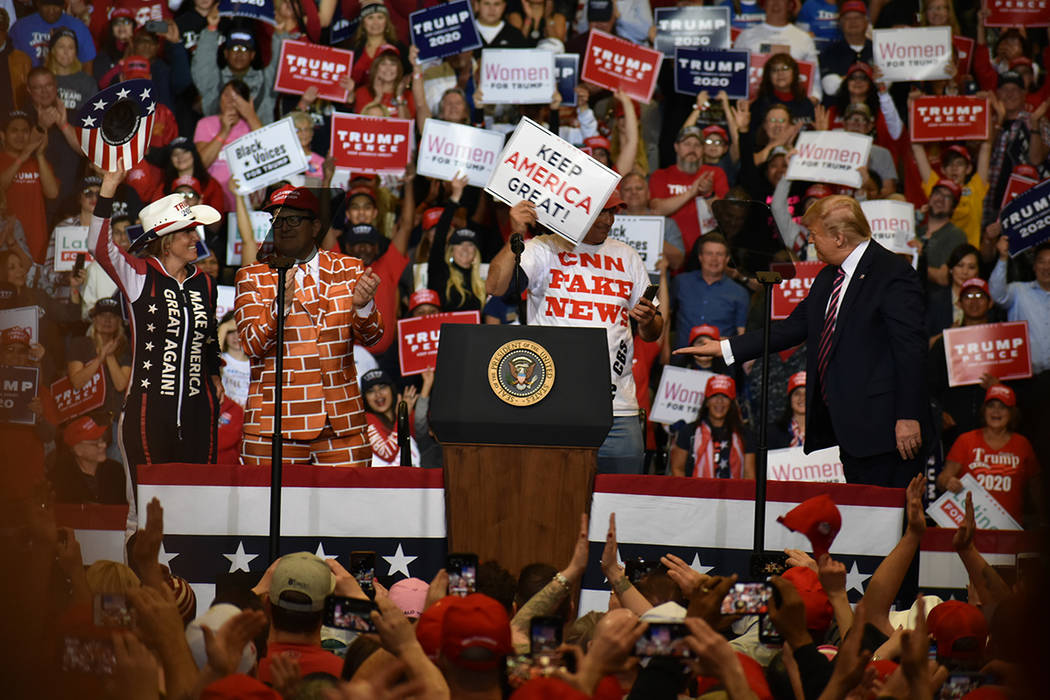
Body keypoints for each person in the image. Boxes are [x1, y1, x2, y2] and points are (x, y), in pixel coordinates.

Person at [676, 195, 927, 486]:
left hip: (889, 432)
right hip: (850, 431)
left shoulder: (892, 273)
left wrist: (908, 416)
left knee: (893, 522)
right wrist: (725, 347)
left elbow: (911, 350)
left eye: (814, 235)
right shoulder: (828, 277)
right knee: (863, 523)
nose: (810, 242)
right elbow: (792, 328)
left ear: (839, 237)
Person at [485, 193, 662, 474]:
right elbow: (494, 286)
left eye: (612, 212)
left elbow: (654, 332)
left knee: (623, 502)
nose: (608, 220)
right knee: (554, 498)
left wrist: (648, 321)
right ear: (579, 212)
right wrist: (516, 234)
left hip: (617, 408)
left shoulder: (627, 256)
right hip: (553, 404)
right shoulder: (544, 248)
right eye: (601, 212)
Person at [234, 186, 383, 467]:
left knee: (347, 509)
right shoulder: (252, 276)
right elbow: (251, 345)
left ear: (314, 225)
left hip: (341, 427)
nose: (283, 227)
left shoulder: (349, 269)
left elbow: (373, 337)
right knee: (268, 511)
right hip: (273, 427)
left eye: (292, 219)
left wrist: (363, 306)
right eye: (277, 221)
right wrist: (280, 305)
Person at [88, 163, 223, 468]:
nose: (194, 238)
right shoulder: (139, 274)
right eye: (186, 232)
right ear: (165, 241)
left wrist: (214, 372)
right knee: (152, 508)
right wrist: (108, 188)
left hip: (198, 413)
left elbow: (209, 334)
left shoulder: (205, 282)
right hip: (148, 413)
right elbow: (97, 246)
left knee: (196, 502)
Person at [938, 385, 1040, 527]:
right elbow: (942, 479)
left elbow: (1036, 489)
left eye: (1003, 407)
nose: (996, 411)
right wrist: (948, 482)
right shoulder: (966, 440)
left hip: (1009, 529)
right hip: (968, 527)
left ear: (1012, 413)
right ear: (984, 410)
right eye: (991, 406)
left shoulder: (1022, 444)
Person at [649, 125, 730, 254]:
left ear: (703, 149)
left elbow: (726, 217)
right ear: (676, 147)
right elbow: (656, 209)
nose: (692, 149)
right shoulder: (661, 175)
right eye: (687, 144)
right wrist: (692, 192)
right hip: (671, 250)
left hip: (705, 253)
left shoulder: (715, 174)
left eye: (697, 145)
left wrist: (709, 194)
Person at [671, 233, 750, 350]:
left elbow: (741, 335)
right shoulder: (681, 282)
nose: (714, 259)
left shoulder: (740, 293)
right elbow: (665, 317)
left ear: (727, 259)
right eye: (709, 253)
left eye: (719, 254)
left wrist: (726, 343)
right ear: (700, 257)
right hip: (682, 357)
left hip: (721, 360)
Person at [669, 374, 756, 479]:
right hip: (695, 494)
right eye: (714, 396)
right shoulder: (688, 432)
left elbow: (749, 475)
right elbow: (677, 468)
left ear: (732, 404)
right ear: (707, 402)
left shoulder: (745, 435)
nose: (719, 401)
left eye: (725, 396)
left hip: (733, 494)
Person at [48, 413, 126, 505]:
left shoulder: (116, 471)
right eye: (95, 442)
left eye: (103, 439)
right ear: (77, 450)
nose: (103, 445)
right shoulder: (61, 477)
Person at [361, 368, 420, 467]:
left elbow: (426, 440)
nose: (378, 394)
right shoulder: (366, 420)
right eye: (371, 391)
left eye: (382, 387)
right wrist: (402, 418)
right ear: (365, 399)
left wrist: (426, 387)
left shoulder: (408, 412)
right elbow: (387, 453)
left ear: (392, 390)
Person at [918, 179, 968, 288]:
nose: (940, 199)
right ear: (930, 198)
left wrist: (913, 264)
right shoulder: (916, 230)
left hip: (934, 300)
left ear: (953, 207)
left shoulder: (956, 235)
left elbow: (943, 278)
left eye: (947, 197)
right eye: (937, 193)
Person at [768, 371, 808, 450]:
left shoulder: (826, 430)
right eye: (797, 394)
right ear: (790, 399)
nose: (802, 398)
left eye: (806, 393)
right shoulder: (773, 432)